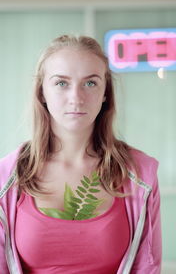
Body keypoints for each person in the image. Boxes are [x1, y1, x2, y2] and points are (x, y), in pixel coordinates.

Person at [0, 35, 162, 274]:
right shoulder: (5, 178)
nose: (76, 97)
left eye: (90, 83)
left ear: (105, 92)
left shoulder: (140, 174)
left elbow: (148, 267)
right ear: (42, 92)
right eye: (61, 83)